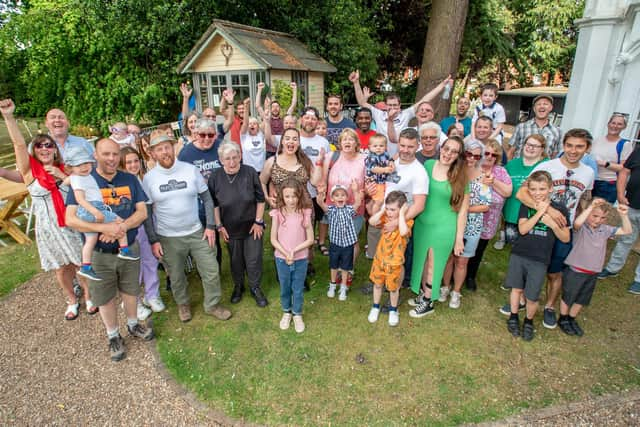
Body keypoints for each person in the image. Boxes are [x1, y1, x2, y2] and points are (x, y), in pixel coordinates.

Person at [1, 99, 91, 320]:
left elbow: (83, 185)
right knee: (61, 268)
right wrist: (9, 117)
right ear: (35, 151)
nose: (44, 148)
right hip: (48, 227)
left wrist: (63, 176)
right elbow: (19, 145)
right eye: (39, 146)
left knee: (82, 262)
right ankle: (71, 299)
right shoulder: (30, 173)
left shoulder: (65, 169)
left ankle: (89, 296)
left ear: (55, 150)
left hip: (71, 221)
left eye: (48, 145)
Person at [65, 137, 153, 362]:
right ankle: (113, 335)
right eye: (106, 154)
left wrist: (120, 226)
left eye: (115, 154)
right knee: (104, 297)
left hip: (128, 246)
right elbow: (71, 219)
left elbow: (142, 212)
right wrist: (103, 227)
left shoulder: (130, 179)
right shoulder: (83, 180)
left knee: (131, 289)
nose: (112, 159)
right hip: (100, 254)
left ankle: (133, 325)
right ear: (96, 155)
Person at [142, 131, 231, 323]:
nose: (164, 151)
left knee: (211, 269)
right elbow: (147, 213)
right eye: (159, 149)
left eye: (167, 146)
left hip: (197, 232)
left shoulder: (189, 170)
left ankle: (212, 304)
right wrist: (153, 240)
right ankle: (183, 304)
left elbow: (207, 198)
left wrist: (209, 226)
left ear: (173, 147)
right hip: (168, 236)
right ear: (153, 153)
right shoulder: (149, 179)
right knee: (176, 275)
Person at [516, 129, 595, 329]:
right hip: (540, 226)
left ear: (587, 148)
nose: (573, 150)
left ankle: (550, 306)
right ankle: (523, 298)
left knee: (555, 272)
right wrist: (549, 210)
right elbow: (522, 193)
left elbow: (585, 199)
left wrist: (582, 220)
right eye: (569, 145)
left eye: (579, 146)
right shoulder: (547, 166)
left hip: (563, 229)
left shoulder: (588, 172)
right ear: (563, 145)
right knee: (531, 266)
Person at [505, 171, 570, 341]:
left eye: (542, 189)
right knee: (516, 288)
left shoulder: (560, 209)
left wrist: (552, 225)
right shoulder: (527, 205)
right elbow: (523, 229)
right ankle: (513, 316)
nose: (537, 192)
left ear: (550, 189)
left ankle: (528, 321)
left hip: (540, 258)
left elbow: (565, 237)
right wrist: (539, 213)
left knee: (532, 295)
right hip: (520, 253)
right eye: (533, 189)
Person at [409, 136, 468, 318]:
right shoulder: (427, 166)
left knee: (434, 264)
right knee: (423, 260)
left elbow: (463, 211)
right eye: (446, 148)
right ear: (440, 147)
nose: (448, 153)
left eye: (454, 151)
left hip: (444, 227)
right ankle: (422, 294)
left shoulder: (460, 177)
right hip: (423, 224)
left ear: (458, 156)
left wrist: (459, 239)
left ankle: (428, 301)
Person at [365, 128, 428, 291]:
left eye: (410, 147)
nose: (405, 150)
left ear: (417, 146)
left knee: (397, 261)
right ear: (398, 144)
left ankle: (394, 292)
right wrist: (370, 191)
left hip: (400, 222)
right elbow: (380, 181)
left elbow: (419, 204)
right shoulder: (394, 161)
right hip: (384, 214)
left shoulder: (419, 172)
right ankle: (378, 282)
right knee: (380, 252)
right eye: (402, 145)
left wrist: (398, 221)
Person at [66, 145, 139, 282]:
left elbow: (66, 181)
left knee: (90, 241)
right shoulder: (80, 179)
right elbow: (79, 200)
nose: (84, 167)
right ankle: (124, 249)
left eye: (86, 163)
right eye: (79, 165)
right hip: (93, 208)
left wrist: (62, 180)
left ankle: (86, 266)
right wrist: (101, 220)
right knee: (119, 221)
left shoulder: (76, 177)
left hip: (89, 211)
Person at [559, 199, 631, 336]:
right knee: (569, 296)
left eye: (603, 217)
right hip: (576, 269)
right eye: (595, 216)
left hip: (593, 271)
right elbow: (578, 223)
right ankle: (563, 318)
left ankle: (571, 318)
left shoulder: (606, 230)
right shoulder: (581, 228)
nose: (598, 220)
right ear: (588, 213)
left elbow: (627, 230)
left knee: (582, 297)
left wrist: (624, 215)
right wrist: (591, 206)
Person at [208, 142, 268, 307]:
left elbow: (260, 199)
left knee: (253, 259)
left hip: (252, 226)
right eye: (227, 159)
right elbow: (214, 204)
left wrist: (258, 221)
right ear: (221, 160)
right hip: (230, 228)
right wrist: (219, 226)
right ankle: (238, 286)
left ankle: (255, 287)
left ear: (240, 157)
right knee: (236, 260)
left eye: (235, 157)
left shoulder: (249, 172)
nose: (232, 162)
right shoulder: (215, 177)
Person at [350, 69, 452, 155]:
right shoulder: (379, 114)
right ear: (385, 106)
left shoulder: (406, 114)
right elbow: (362, 102)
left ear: (400, 106)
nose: (393, 108)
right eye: (390, 105)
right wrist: (356, 83)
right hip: (381, 155)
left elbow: (425, 100)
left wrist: (442, 85)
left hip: (400, 155)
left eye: (395, 105)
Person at [441, 139, 491, 308]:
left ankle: (456, 292)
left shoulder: (484, 178)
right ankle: (445, 287)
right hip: (450, 222)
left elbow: (486, 205)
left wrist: (463, 209)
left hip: (472, 226)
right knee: (448, 258)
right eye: (469, 154)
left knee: (462, 261)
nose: (472, 159)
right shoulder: (453, 172)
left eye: (477, 156)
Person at [119, 147, 165, 317]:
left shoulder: (142, 180)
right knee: (133, 268)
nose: (133, 165)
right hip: (130, 231)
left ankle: (152, 295)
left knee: (150, 262)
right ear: (122, 164)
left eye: (135, 161)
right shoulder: (120, 183)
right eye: (128, 162)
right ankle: (133, 302)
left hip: (146, 228)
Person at [318, 128, 366, 283]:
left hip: (355, 208)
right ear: (339, 143)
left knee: (351, 240)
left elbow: (370, 182)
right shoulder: (331, 157)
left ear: (356, 143)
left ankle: (348, 268)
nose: (347, 142)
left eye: (351, 139)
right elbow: (322, 180)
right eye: (344, 139)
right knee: (337, 239)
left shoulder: (364, 159)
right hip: (334, 208)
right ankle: (338, 269)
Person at [465, 139, 512, 291]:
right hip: (468, 218)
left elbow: (508, 192)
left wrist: (493, 182)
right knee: (462, 249)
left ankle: (470, 276)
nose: (490, 156)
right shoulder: (472, 167)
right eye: (486, 153)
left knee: (478, 251)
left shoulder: (501, 172)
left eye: (494, 154)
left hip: (488, 220)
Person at [270, 178, 314, 333]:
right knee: (285, 287)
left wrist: (294, 251)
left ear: (299, 196)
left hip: (300, 258)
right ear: (282, 196)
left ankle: (297, 313)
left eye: (294, 196)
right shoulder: (278, 214)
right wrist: (285, 252)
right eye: (287, 196)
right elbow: (273, 239)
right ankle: (286, 311)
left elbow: (310, 239)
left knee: (298, 288)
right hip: (281, 259)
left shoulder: (305, 214)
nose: (291, 200)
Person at [599, 143, 640, 294]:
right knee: (625, 238)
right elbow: (624, 171)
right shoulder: (638, 151)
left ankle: (639, 280)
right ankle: (612, 268)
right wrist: (620, 194)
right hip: (631, 204)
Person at [367, 191, 413, 327]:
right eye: (388, 209)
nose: (389, 212)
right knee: (377, 284)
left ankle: (393, 310)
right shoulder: (385, 218)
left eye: (393, 209)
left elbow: (404, 232)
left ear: (402, 208)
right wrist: (382, 211)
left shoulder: (407, 221)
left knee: (393, 289)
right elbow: (371, 221)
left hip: (395, 263)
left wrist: (401, 215)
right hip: (379, 260)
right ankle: (375, 306)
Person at [497, 134, 547, 251]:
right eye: (528, 144)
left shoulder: (546, 165)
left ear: (542, 149)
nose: (530, 148)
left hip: (531, 214)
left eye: (535, 146)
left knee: (525, 247)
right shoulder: (512, 164)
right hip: (511, 212)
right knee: (512, 242)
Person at [317, 181, 363, 301]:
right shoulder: (331, 210)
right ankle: (332, 285)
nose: (340, 197)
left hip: (348, 245)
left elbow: (358, 202)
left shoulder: (349, 209)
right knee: (334, 265)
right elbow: (320, 203)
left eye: (343, 195)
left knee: (345, 267)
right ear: (332, 198)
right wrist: (321, 194)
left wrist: (354, 190)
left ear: (347, 197)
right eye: (337, 195)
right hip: (335, 244)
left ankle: (343, 287)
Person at [591, 113, 633, 203]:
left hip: (608, 184)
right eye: (613, 123)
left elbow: (625, 168)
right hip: (591, 181)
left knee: (602, 213)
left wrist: (605, 164)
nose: (615, 126)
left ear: (624, 127)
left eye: (619, 124)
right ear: (608, 124)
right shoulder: (596, 140)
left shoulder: (625, 144)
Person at [507, 94, 562, 159]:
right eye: (538, 104)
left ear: (551, 108)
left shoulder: (557, 131)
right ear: (534, 108)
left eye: (545, 104)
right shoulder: (521, 127)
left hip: (542, 168)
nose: (542, 106)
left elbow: (554, 156)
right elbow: (511, 151)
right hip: (520, 167)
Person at [240, 96, 272, 173]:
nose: (252, 125)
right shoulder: (244, 136)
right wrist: (246, 107)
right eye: (250, 124)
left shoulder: (261, 134)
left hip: (261, 170)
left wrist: (267, 106)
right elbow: (245, 123)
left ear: (258, 126)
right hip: (248, 171)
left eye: (254, 124)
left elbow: (266, 119)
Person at [364, 133, 394, 202]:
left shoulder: (385, 154)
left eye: (381, 146)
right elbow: (373, 169)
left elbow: (388, 160)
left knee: (385, 197)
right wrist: (384, 169)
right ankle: (376, 212)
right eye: (375, 146)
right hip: (374, 182)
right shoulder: (371, 157)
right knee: (379, 200)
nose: (378, 148)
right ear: (369, 147)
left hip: (383, 180)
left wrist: (391, 162)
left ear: (386, 147)